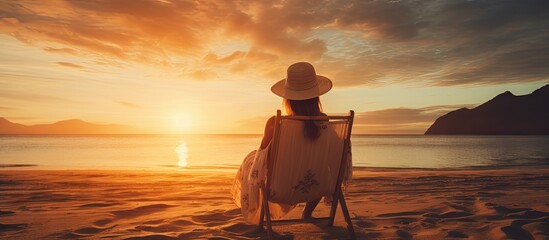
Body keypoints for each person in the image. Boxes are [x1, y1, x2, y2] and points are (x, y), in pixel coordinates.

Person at [231, 62, 351, 224]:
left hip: (281, 188)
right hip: (319, 186)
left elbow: (262, 160)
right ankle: (307, 213)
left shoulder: (276, 123)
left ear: (288, 99)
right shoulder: (325, 122)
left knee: (252, 159)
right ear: (316, 97)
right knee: (315, 165)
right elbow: (338, 154)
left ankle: (258, 216)